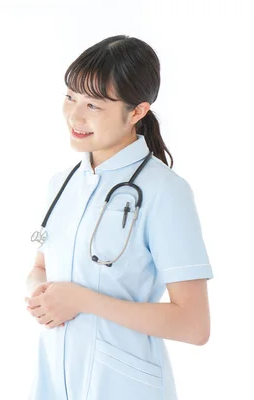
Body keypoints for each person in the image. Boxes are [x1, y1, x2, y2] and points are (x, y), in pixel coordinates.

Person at [24, 35, 213, 400]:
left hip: (123, 386)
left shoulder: (165, 192)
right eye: (70, 97)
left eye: (94, 105)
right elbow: (41, 268)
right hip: (54, 379)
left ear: (137, 112)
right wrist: (38, 295)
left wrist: (81, 300)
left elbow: (194, 325)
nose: (75, 116)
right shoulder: (61, 184)